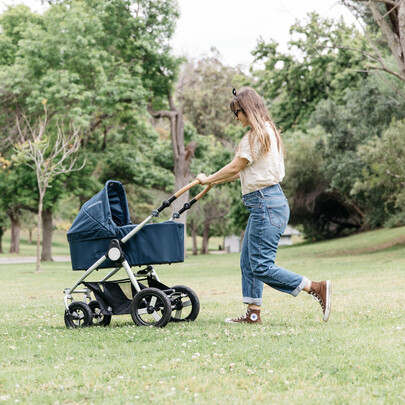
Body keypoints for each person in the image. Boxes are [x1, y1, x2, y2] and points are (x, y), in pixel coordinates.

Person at [196, 87, 331, 324]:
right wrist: (214, 180)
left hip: (264, 205)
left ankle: (316, 287)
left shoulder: (254, 135)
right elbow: (244, 171)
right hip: (268, 203)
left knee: (261, 266)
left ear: (246, 109)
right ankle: (253, 313)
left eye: (236, 112)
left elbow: (235, 167)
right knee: (248, 261)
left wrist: (208, 178)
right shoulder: (269, 131)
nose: (235, 118)